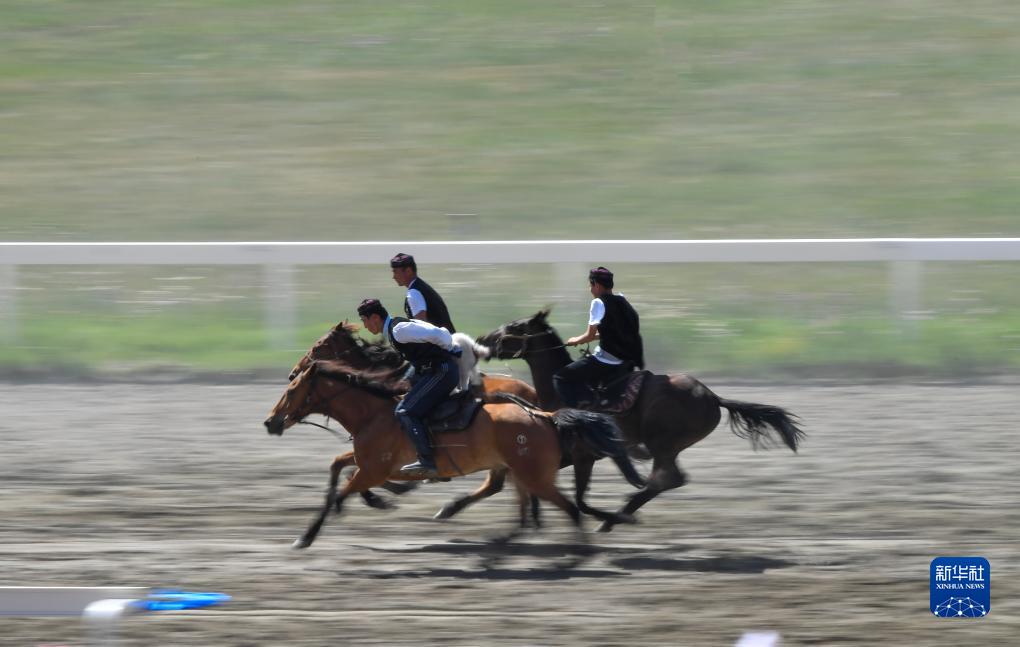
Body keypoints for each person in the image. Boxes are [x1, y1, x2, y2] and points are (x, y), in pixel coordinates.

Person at [357, 298, 461, 478]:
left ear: (375, 318)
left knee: (404, 411)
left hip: (441, 372)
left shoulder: (399, 331)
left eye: (364, 320)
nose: (364, 326)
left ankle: (428, 462)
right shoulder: (395, 330)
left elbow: (438, 333)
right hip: (433, 370)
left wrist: (451, 347)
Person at [553, 266, 644, 408]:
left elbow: (589, 336)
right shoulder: (622, 299)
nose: (590, 290)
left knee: (560, 377)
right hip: (628, 359)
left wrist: (575, 340)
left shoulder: (598, 302)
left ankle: (577, 414)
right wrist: (590, 338)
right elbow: (616, 332)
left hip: (607, 360)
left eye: (591, 285)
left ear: (596, 285)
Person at [389, 252, 456, 333]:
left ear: (408, 271)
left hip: (440, 341)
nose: (393, 277)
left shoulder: (414, 293)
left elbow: (421, 328)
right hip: (449, 338)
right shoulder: (421, 287)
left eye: (395, 272)